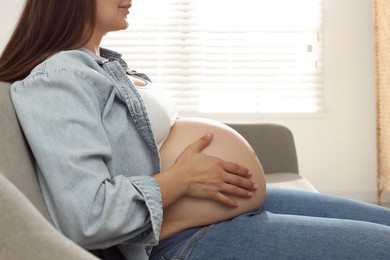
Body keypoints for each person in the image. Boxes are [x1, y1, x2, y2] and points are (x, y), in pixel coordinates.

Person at [1, 1, 390, 259]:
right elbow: (89, 216)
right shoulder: (57, 80)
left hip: (219, 210)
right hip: (178, 240)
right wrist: (180, 180)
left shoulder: (101, 65)